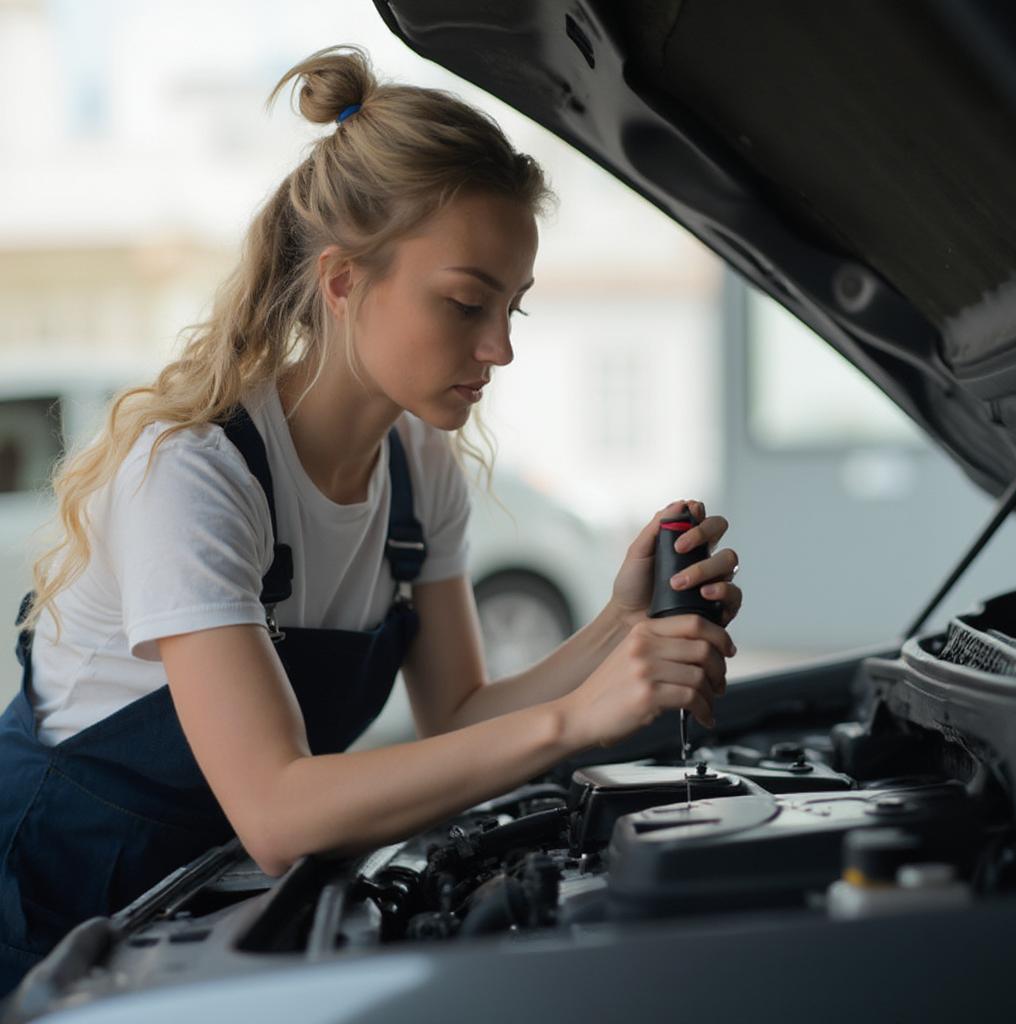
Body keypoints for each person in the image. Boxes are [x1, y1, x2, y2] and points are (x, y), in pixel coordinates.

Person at [0, 45, 741, 995]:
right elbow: (275, 809)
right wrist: (572, 718)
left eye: (514, 307)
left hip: (200, 923)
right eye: (467, 302)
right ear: (344, 281)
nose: (501, 347)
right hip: (47, 920)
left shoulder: (419, 467)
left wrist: (617, 631)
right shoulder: (192, 475)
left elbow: (459, 717)